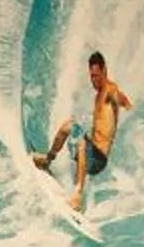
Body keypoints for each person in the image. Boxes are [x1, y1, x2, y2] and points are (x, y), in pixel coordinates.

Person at [33, 52, 133, 213]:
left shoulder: (109, 90)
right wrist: (127, 105)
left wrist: (125, 104)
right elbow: (123, 100)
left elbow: (115, 93)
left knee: (80, 140)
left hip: (98, 159)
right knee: (67, 126)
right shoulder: (98, 95)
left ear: (104, 71)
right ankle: (47, 160)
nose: (93, 80)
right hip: (91, 151)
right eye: (91, 76)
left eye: (97, 76)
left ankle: (77, 196)